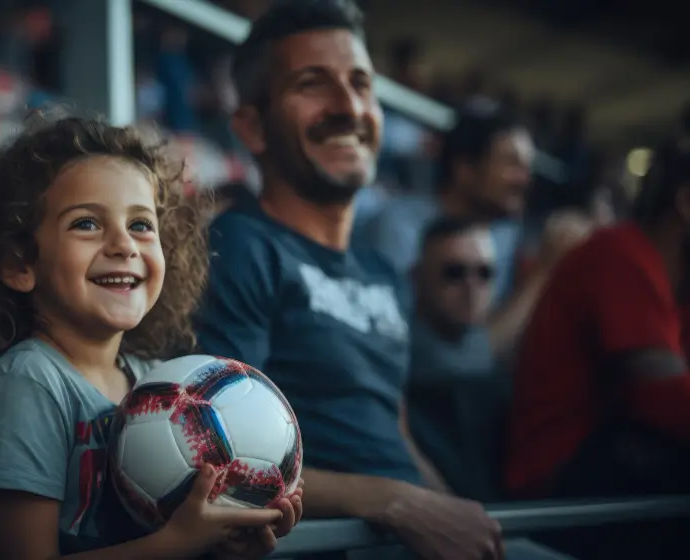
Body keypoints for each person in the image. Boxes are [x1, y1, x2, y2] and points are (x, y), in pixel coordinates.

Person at [194, 1, 545, 559]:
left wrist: (460, 515)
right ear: (252, 127)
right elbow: (222, 454)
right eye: (313, 84)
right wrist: (391, 502)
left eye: (361, 83)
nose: (349, 106)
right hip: (338, 538)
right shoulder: (239, 247)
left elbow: (394, 431)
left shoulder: (383, 273)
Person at [0, 116, 303, 559]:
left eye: (141, 225)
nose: (123, 245)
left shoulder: (163, 384)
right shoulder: (26, 385)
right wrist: (175, 545)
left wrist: (227, 539)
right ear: (20, 263)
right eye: (87, 224)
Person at [505, 141, 690, 558]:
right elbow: (665, 401)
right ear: (688, 201)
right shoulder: (618, 254)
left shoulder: (684, 290)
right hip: (557, 486)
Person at [355, 107, 591, 358]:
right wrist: (544, 271)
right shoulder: (400, 226)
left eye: (527, 167)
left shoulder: (504, 234)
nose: (525, 179)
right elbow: (433, 355)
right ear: (465, 170)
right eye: (512, 164)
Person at [405, 218, 506, 502]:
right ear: (418, 277)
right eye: (454, 272)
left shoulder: (488, 349)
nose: (471, 286)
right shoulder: (399, 354)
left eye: (484, 272)